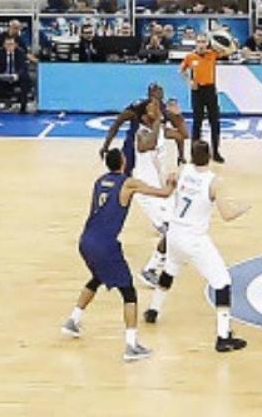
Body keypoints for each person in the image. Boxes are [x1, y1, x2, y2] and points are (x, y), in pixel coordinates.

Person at [60, 148, 174, 363]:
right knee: (129, 293)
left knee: (97, 278)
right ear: (122, 162)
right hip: (105, 244)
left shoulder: (99, 181)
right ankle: (131, 346)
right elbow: (164, 194)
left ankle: (73, 320)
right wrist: (172, 182)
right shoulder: (128, 182)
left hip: (86, 240)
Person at [143, 141, 251, 353]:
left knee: (169, 271)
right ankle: (223, 337)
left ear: (191, 157)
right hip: (193, 238)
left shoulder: (184, 171)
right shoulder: (214, 182)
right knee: (222, 282)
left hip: (174, 234)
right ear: (210, 156)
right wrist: (243, 208)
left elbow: (170, 179)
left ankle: (153, 310)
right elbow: (227, 215)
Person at [131, 89, 188, 288]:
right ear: (146, 116)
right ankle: (151, 269)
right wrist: (160, 120)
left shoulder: (160, 129)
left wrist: (177, 115)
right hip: (147, 190)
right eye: (153, 108)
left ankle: (165, 258)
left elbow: (183, 135)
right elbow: (149, 144)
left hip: (162, 189)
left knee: (177, 227)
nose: (158, 109)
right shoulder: (141, 133)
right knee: (172, 230)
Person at [180, 33, 237, 164]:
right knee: (197, 123)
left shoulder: (212, 54)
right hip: (197, 91)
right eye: (199, 41)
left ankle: (215, 152)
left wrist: (226, 37)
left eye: (203, 42)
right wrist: (189, 81)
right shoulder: (190, 57)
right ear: (195, 43)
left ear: (207, 43)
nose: (201, 44)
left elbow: (232, 50)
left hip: (210, 90)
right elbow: (182, 71)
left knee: (214, 122)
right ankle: (195, 154)